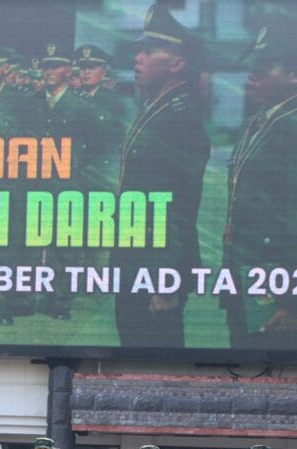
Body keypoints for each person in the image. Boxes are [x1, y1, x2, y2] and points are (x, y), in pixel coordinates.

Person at [222, 25, 297, 350]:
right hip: (247, 280)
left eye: (265, 67)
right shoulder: (258, 124)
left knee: (275, 372)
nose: (252, 74)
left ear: (295, 75)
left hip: (277, 295)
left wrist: (294, 302)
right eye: (254, 65)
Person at [111, 4, 209, 347]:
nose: (137, 58)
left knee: (155, 357)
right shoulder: (157, 110)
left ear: (177, 64)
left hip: (154, 271)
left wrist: (164, 280)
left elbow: (175, 206)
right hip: (138, 262)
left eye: (149, 51)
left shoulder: (177, 120)